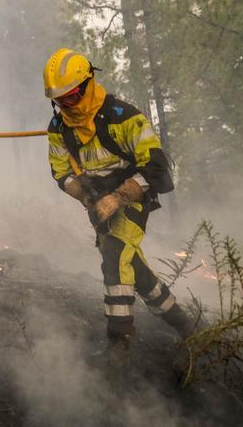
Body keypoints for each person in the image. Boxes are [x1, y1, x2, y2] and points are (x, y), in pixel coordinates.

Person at [43, 48, 195, 352]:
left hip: (133, 195)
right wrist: (87, 197)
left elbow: (156, 166)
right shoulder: (59, 129)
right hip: (96, 201)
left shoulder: (124, 117)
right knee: (133, 268)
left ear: (88, 84)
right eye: (60, 101)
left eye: (72, 97)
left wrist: (117, 198)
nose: (67, 106)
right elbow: (60, 172)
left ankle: (119, 342)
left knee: (115, 254)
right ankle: (185, 325)